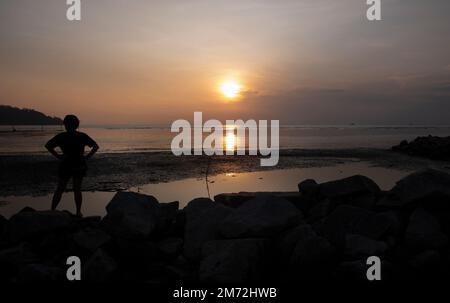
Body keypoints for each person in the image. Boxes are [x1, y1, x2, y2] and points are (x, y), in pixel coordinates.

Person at [45, 115, 99, 217]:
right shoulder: (82, 136)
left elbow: (48, 145)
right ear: (77, 124)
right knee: (77, 189)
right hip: (79, 164)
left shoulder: (61, 136)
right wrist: (87, 157)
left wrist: (58, 156)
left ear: (65, 125)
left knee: (60, 188)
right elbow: (96, 146)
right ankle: (78, 212)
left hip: (66, 164)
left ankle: (52, 210)